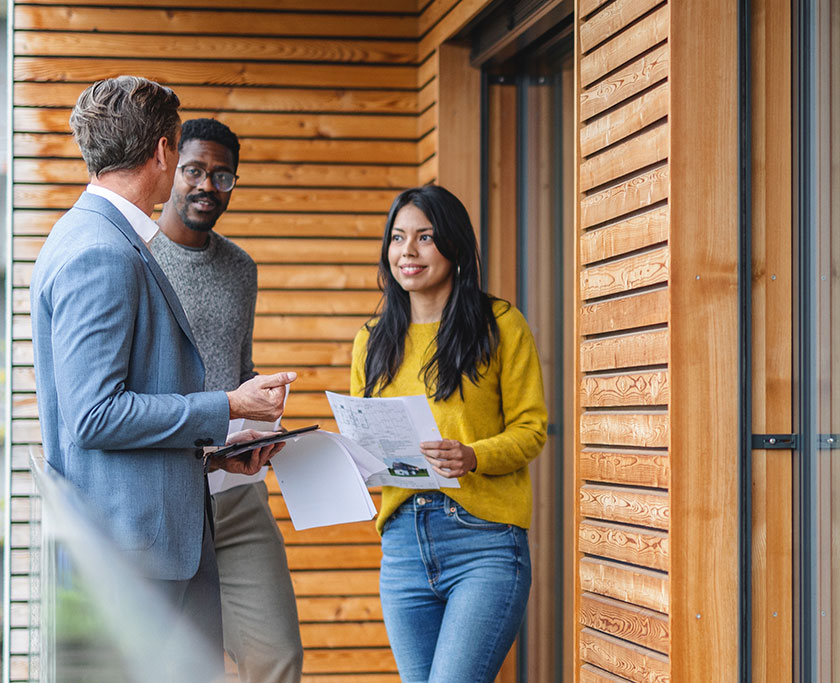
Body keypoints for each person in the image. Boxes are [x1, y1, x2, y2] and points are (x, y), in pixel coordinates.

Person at [30, 76, 295, 680]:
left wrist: (212, 455)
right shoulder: (103, 250)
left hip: (154, 534)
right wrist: (226, 404)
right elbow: (96, 416)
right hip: (139, 552)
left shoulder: (94, 235)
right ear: (162, 152)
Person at [349, 185, 547, 682]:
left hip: (483, 542)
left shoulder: (499, 324)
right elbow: (365, 442)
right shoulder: (371, 341)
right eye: (397, 238)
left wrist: (472, 456)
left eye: (425, 237)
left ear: (455, 247)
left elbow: (531, 429)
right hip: (401, 546)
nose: (407, 252)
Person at [149, 118, 304, 682]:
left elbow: (238, 372)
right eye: (194, 170)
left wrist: (263, 414)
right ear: (170, 170)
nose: (206, 186)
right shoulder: (135, 259)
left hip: (236, 494)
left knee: (276, 654)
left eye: (222, 176)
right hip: (165, 498)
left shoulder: (241, 269)